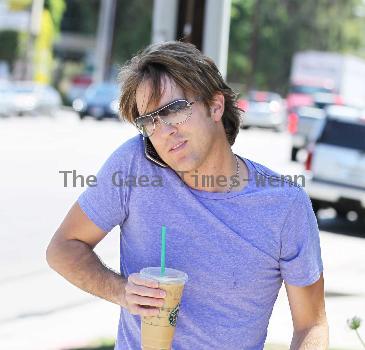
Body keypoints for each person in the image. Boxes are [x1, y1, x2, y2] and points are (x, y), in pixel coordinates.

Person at [46, 41, 328, 349]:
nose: (164, 130)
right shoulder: (134, 166)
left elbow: (311, 325)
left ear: (215, 105)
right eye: (150, 121)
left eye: (174, 110)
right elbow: (63, 248)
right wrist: (121, 291)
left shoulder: (285, 206)